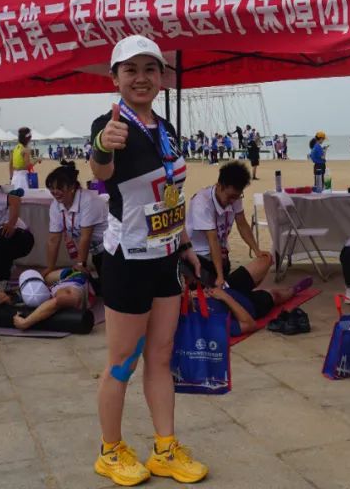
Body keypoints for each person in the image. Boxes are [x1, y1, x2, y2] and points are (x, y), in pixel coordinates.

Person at [89, 35, 207, 485]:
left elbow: (170, 192)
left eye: (150, 69)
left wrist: (185, 244)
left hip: (165, 257)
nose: (141, 78)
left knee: (160, 355)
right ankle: (110, 450)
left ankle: (164, 448)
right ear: (115, 78)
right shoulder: (110, 123)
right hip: (128, 259)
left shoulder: (166, 127)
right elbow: (101, 172)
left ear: (161, 77)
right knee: (122, 361)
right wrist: (103, 145)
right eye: (130, 69)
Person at [185, 160, 272, 292]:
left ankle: (227, 290)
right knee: (222, 289)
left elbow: (242, 224)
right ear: (219, 186)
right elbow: (213, 240)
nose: (233, 201)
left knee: (266, 260)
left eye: (237, 197)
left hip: (222, 258)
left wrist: (257, 250)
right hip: (200, 260)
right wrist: (220, 276)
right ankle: (222, 288)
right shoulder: (202, 202)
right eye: (230, 197)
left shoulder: (235, 197)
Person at [44, 161, 108, 285]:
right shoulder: (56, 205)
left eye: (59, 188)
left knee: (109, 288)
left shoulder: (89, 200)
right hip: (96, 251)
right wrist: (50, 268)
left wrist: (80, 264)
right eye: (51, 188)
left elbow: (85, 237)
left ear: (72, 187)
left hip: (111, 249)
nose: (55, 192)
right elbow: (53, 239)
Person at [12, 268, 89, 330]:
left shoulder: (68, 293)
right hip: (70, 277)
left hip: (74, 275)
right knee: (47, 277)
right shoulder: (54, 290)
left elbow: (56, 302)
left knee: (48, 277)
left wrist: (25, 323)